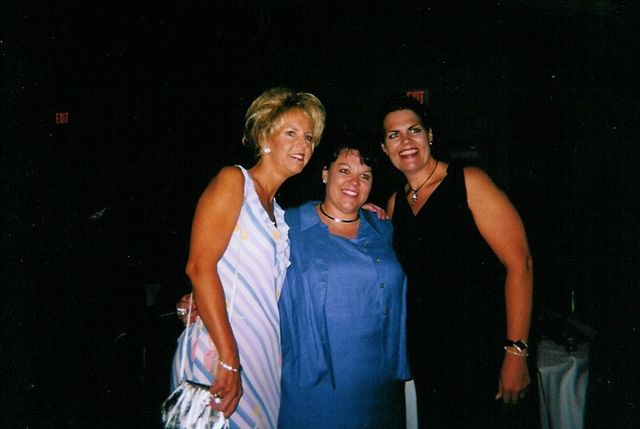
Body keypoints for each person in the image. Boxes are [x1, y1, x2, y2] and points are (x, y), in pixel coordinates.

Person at [170, 87, 325, 429]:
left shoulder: (279, 214)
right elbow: (199, 266)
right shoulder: (234, 181)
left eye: (309, 137)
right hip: (220, 353)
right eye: (291, 133)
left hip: (260, 358)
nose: (303, 145)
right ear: (265, 135)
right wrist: (229, 358)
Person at [378, 94, 535, 428]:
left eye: (414, 130)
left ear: (430, 135)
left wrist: (516, 351)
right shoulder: (394, 205)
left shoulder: (469, 182)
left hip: (483, 350)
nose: (405, 141)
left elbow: (520, 264)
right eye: (394, 135)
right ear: (384, 147)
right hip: (428, 356)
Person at [277, 135, 410, 428]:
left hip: (381, 387)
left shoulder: (381, 227)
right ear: (325, 173)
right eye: (345, 170)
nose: (354, 182)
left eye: (365, 175)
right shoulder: (288, 225)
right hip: (315, 386)